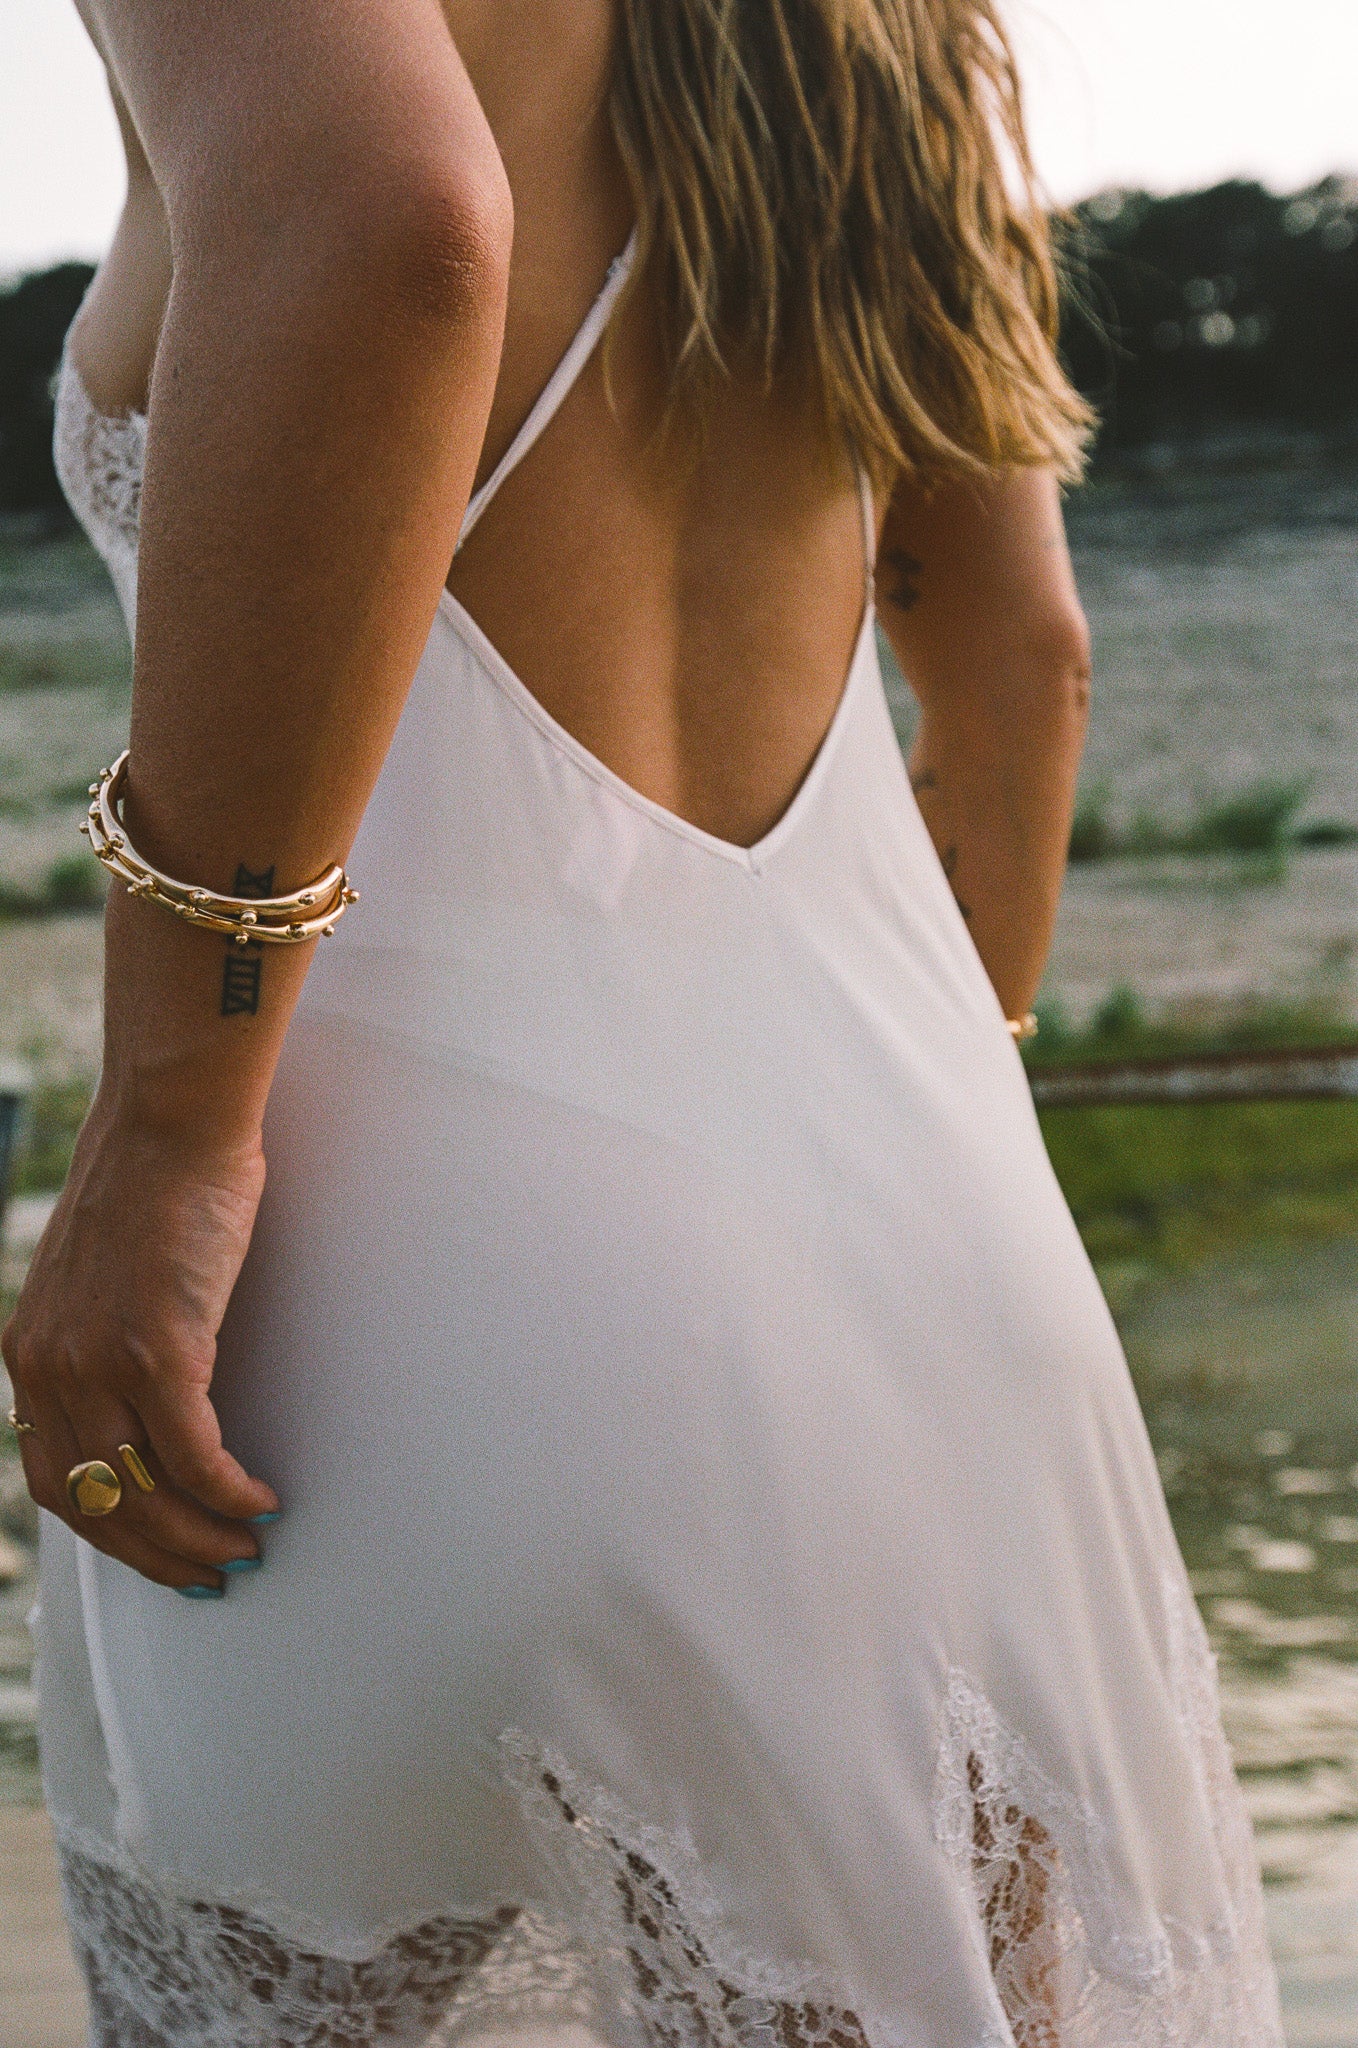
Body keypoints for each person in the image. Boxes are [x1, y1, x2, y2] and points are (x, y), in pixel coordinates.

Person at [4, 1, 1282, 2043]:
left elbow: (390, 218)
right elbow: (1024, 664)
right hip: (948, 1286)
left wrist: (168, 1127)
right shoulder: (888, 40)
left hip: (418, 1324)